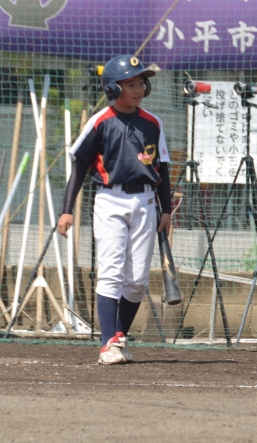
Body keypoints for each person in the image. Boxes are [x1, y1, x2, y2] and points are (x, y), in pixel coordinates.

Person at [57, 55, 171, 364]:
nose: (138, 89)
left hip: (146, 202)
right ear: (112, 89)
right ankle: (107, 343)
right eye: (130, 84)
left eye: (141, 83)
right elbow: (79, 167)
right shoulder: (100, 121)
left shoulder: (153, 122)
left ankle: (118, 337)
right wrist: (67, 209)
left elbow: (162, 167)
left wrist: (166, 209)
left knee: (137, 280)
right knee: (111, 271)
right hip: (110, 200)